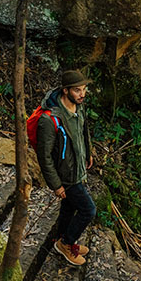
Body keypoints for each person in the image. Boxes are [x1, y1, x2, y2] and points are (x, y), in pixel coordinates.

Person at [35, 70, 95, 266]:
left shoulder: (79, 108)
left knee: (69, 209)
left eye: (84, 89)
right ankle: (66, 243)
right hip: (66, 176)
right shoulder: (50, 119)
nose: (82, 94)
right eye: (77, 90)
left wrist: (88, 153)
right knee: (88, 210)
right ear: (65, 90)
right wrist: (56, 184)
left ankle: (61, 239)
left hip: (77, 168)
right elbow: (44, 156)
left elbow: (83, 132)